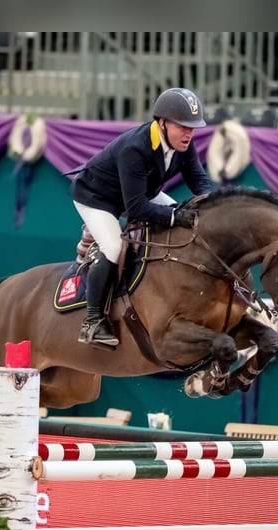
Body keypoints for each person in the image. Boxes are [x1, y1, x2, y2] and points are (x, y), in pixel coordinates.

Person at [71, 87, 214, 347]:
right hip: (96, 197)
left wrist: (213, 208)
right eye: (183, 126)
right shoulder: (135, 148)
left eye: (192, 127)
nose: (189, 132)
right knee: (114, 247)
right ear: (162, 123)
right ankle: (92, 322)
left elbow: (200, 183)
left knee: (189, 219)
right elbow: (136, 209)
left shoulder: (184, 144)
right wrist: (175, 216)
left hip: (138, 193)